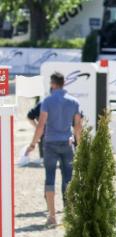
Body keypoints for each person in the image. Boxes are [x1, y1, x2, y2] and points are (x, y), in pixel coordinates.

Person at [26, 72, 82, 227]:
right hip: (67, 143)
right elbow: (78, 126)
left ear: (52, 84)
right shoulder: (74, 102)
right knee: (68, 179)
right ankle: (69, 213)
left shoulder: (48, 101)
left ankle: (52, 216)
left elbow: (41, 124)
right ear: (63, 83)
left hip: (50, 144)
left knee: (49, 178)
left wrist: (33, 144)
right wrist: (80, 144)